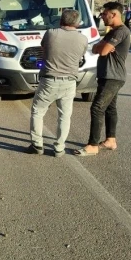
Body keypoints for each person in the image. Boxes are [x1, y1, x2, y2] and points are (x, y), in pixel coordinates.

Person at [26, 10, 87, 157]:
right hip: (70, 82)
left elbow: (43, 47)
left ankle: (37, 145)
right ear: (77, 23)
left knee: (38, 111)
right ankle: (59, 148)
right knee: (64, 116)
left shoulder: (51, 33)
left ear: (61, 21)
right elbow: (80, 55)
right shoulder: (83, 39)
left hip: (49, 80)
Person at [75, 1, 131, 156]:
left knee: (97, 108)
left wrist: (103, 47)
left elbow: (104, 51)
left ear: (113, 14)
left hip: (113, 76)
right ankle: (110, 140)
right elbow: (95, 48)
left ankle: (93, 145)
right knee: (110, 108)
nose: (102, 16)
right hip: (107, 75)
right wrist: (102, 47)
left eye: (104, 14)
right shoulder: (111, 32)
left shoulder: (121, 31)